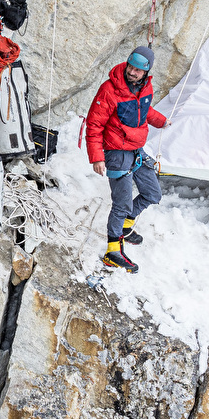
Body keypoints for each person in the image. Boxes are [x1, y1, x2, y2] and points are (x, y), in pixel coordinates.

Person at [83, 45, 167, 273]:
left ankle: (126, 226)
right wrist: (97, 157)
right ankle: (113, 252)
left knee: (153, 194)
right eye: (131, 67)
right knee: (122, 203)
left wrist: (161, 120)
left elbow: (144, 110)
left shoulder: (145, 88)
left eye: (138, 70)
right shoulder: (109, 90)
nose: (132, 72)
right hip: (116, 151)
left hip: (136, 148)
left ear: (146, 73)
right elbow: (94, 124)